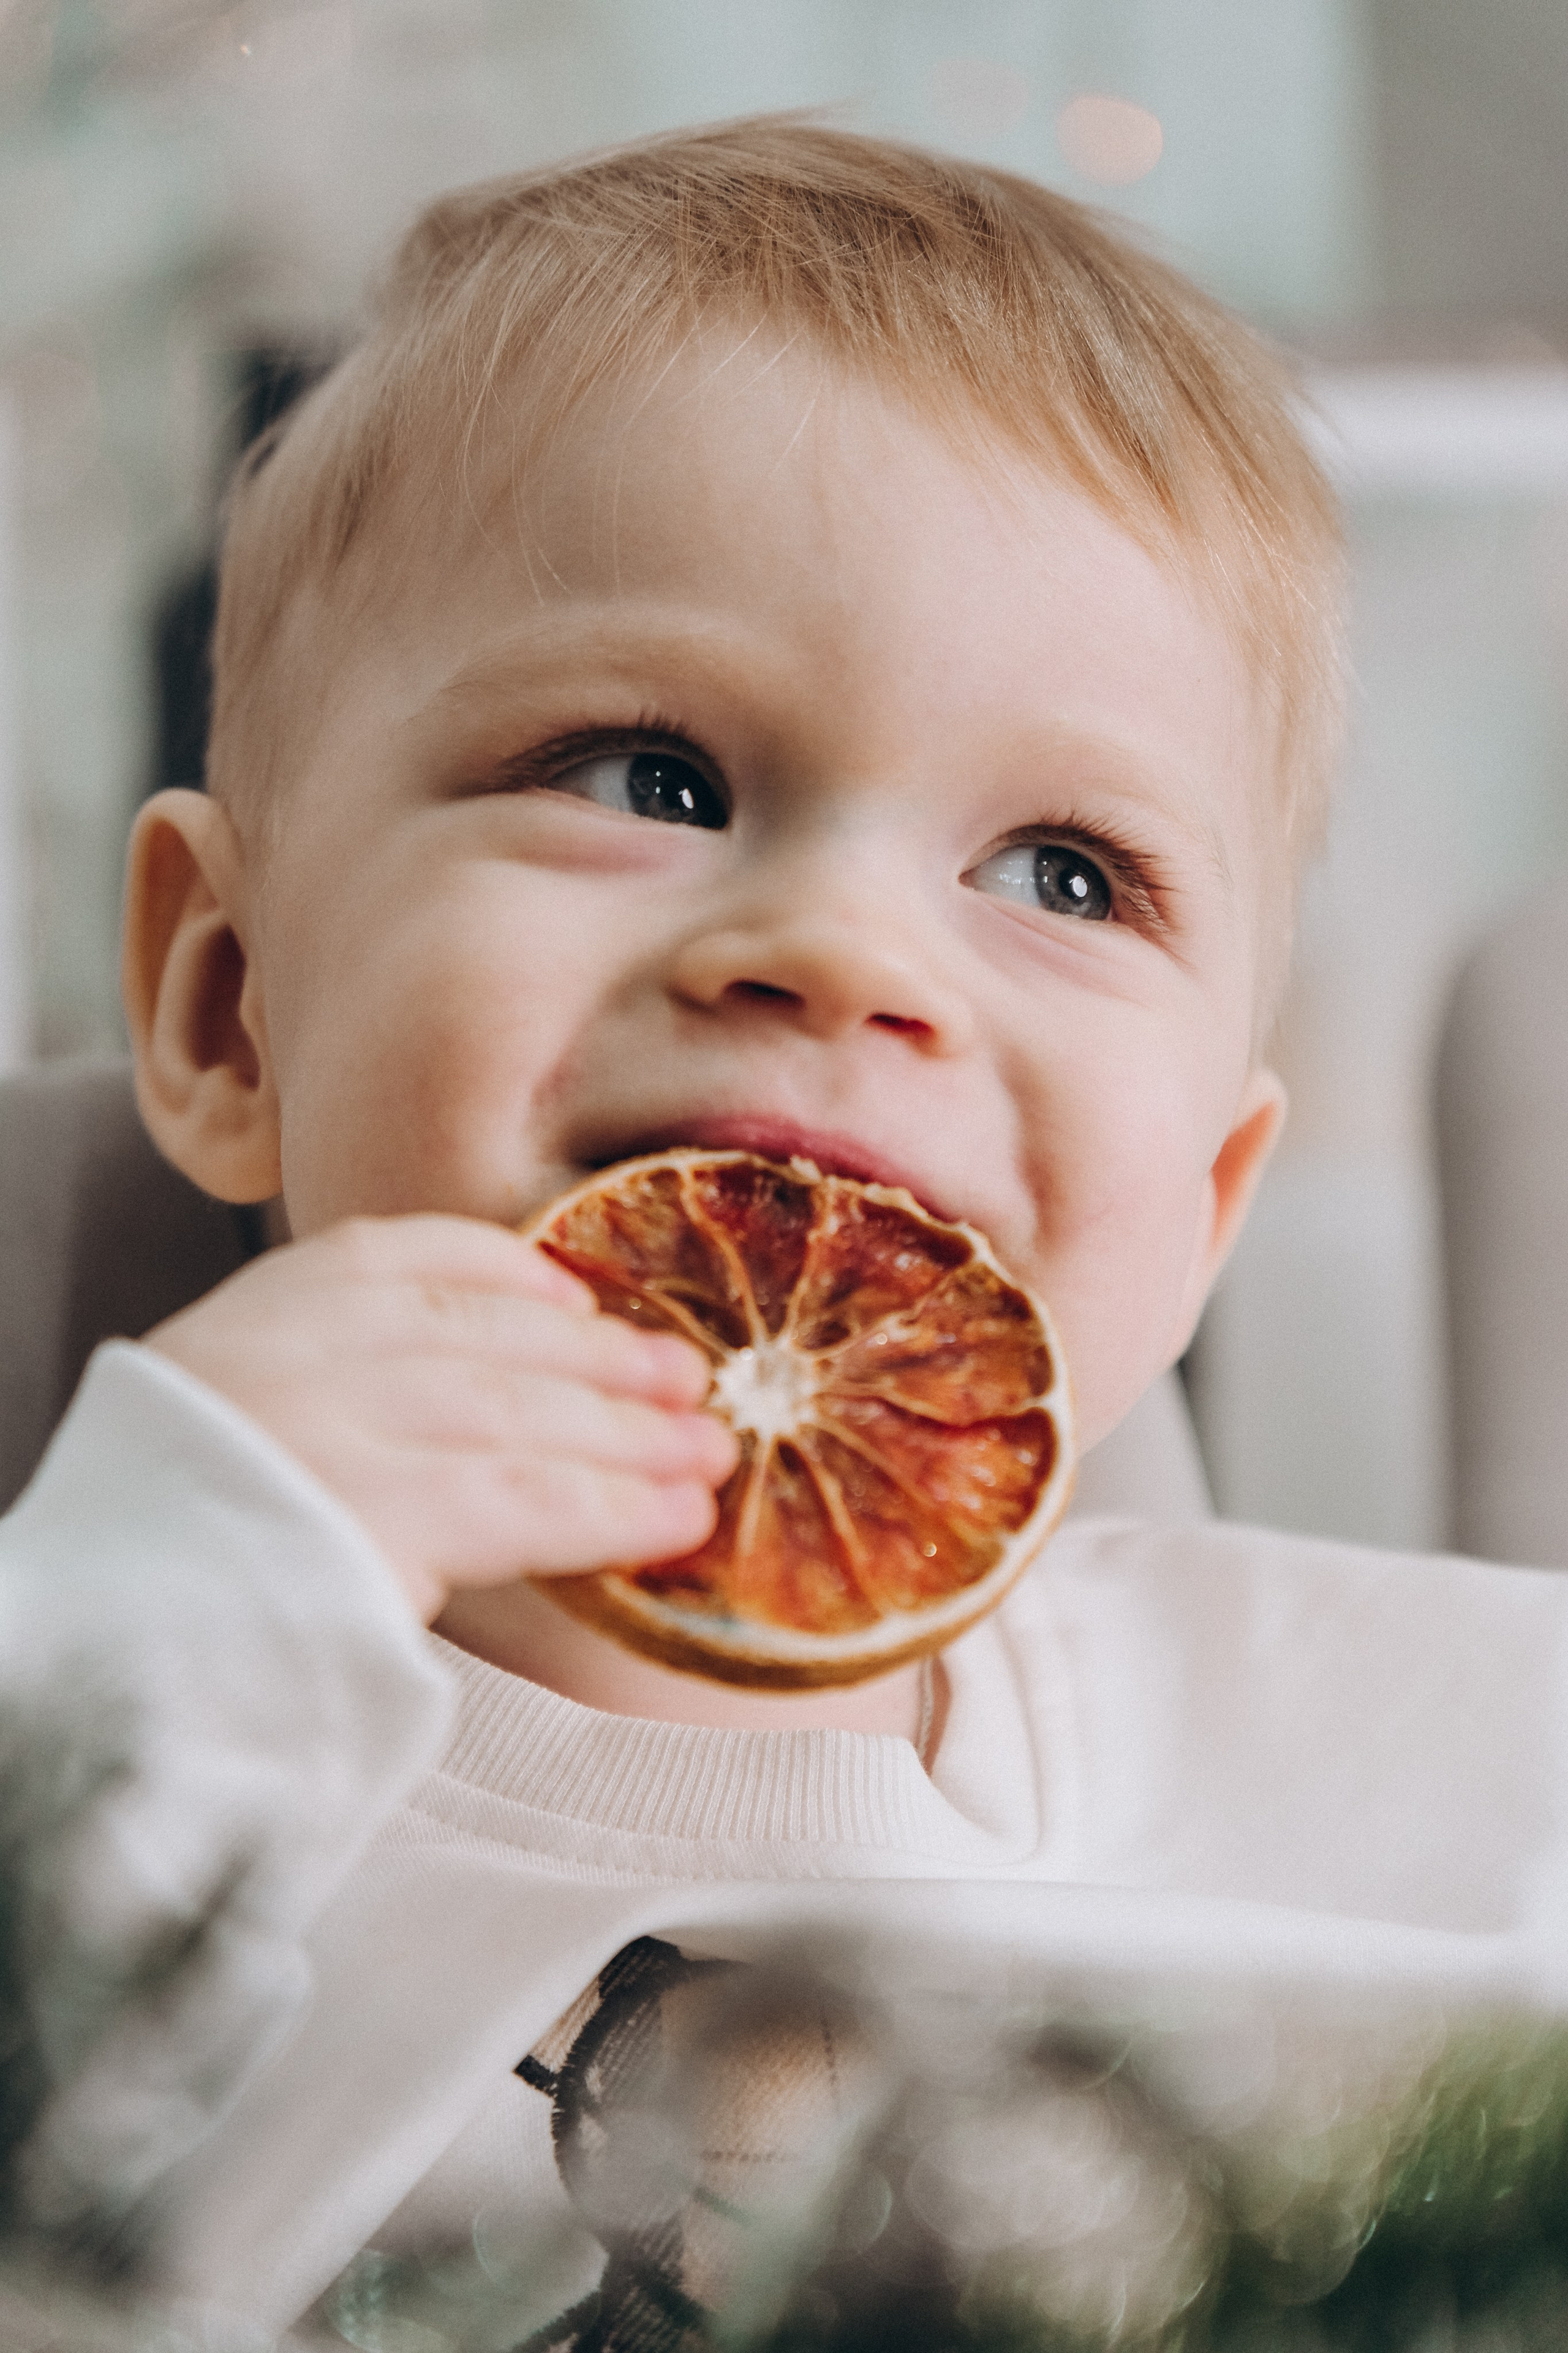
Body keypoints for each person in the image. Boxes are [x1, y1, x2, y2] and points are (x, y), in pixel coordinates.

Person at [4, 118, 1567, 2345]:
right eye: (651, 773)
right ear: (230, 1001)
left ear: (1199, 1219)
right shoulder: (98, 1691)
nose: (842, 953)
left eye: (1064, 872)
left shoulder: (1432, 1780)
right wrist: (144, 1612)